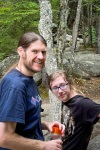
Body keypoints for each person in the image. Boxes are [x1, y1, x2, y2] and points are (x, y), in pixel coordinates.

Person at [0, 32, 65, 150]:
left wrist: (47, 125)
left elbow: (23, 122)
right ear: (21, 51)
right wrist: (44, 146)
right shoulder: (15, 85)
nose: (40, 57)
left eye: (43, 52)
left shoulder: (29, 80)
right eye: (34, 51)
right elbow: (3, 138)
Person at [48, 69, 100, 150]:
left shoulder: (82, 104)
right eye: (55, 88)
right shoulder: (65, 100)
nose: (60, 91)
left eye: (62, 85)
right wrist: (55, 136)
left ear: (69, 83)